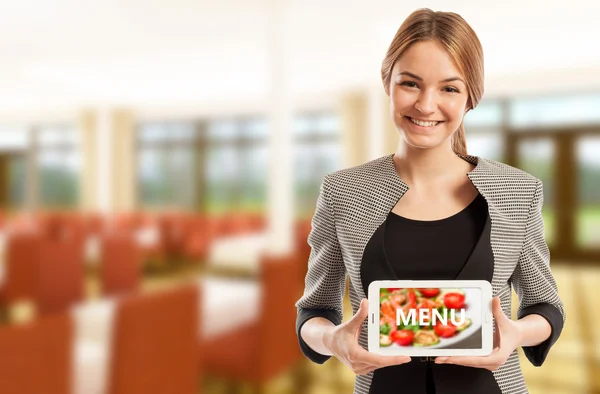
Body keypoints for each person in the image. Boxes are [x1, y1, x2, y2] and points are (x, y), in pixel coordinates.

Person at [295, 8, 565, 394]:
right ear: (387, 82)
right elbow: (315, 310)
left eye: (449, 88)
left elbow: (545, 306)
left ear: (471, 97)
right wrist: (333, 339)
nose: (425, 105)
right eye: (410, 84)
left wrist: (516, 333)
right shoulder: (343, 192)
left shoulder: (518, 191)